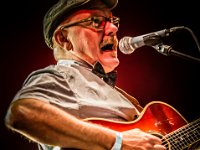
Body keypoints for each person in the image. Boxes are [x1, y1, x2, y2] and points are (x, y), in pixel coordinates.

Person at [4, 0, 167, 149]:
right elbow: (23, 112)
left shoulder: (111, 90)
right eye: (96, 21)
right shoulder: (64, 75)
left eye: (113, 21)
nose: (114, 29)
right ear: (63, 39)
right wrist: (117, 141)